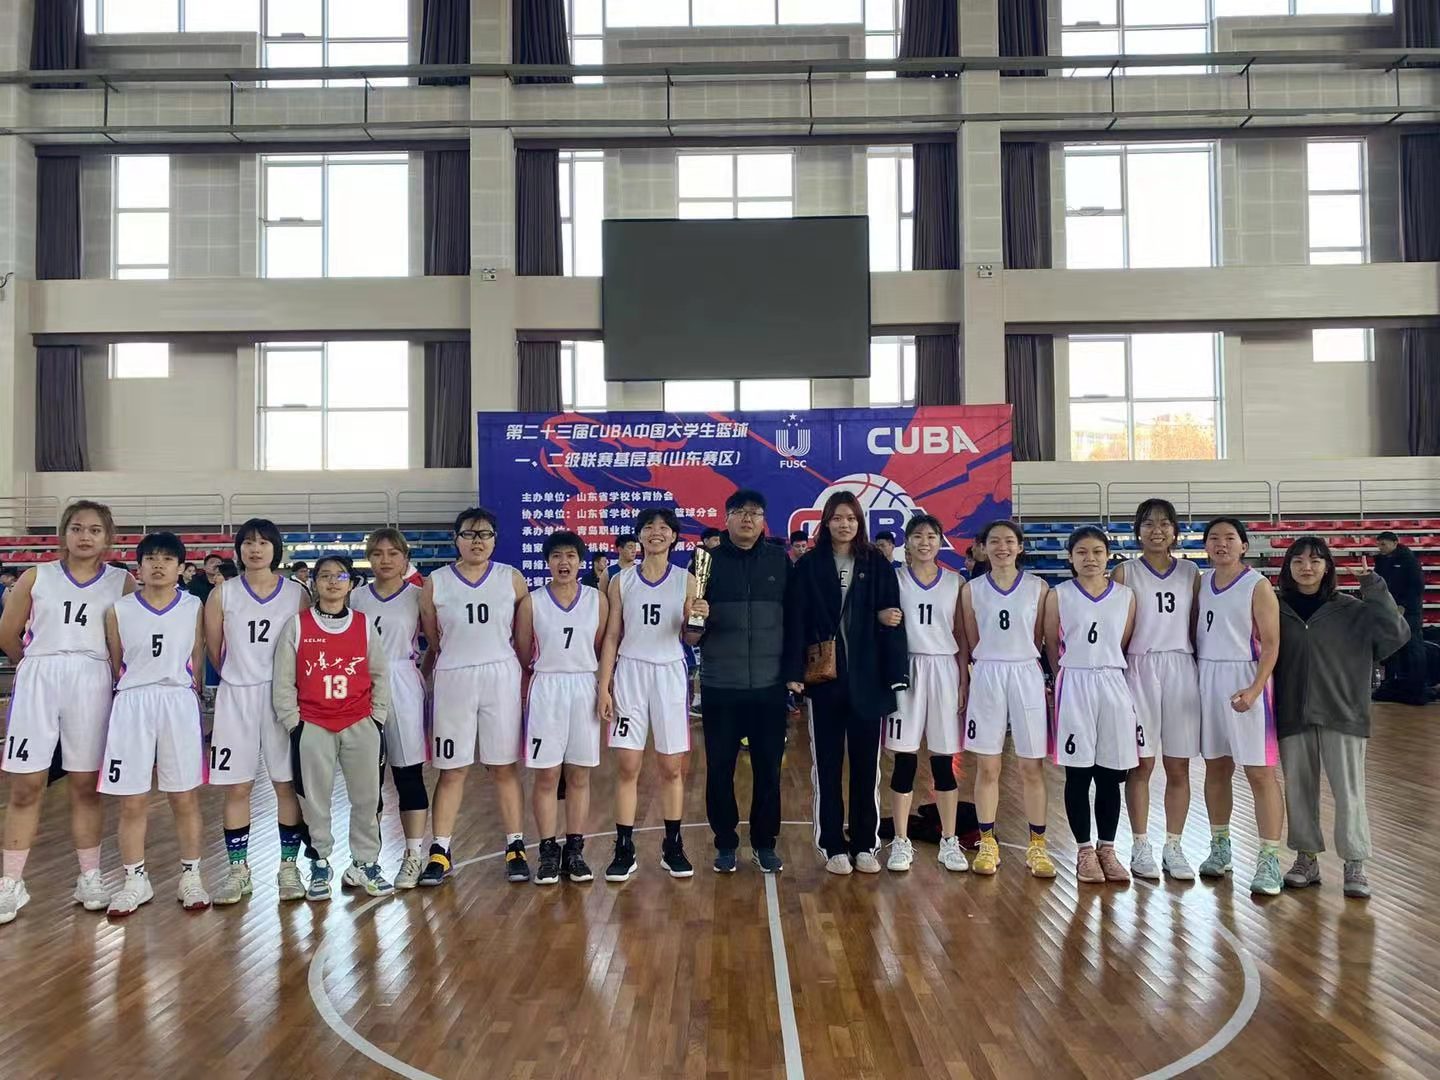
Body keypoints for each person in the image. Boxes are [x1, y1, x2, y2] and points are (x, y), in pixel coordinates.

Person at [0, 501, 135, 924]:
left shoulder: (122, 582)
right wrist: (33, 667)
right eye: (76, 528)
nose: (84, 536)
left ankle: (89, 877)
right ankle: (10, 883)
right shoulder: (35, 576)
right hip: (40, 675)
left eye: (94, 529)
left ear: (108, 538)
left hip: (92, 678)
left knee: (85, 785)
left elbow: (129, 639)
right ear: (63, 534)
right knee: (26, 785)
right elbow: (7, 632)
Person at [1276, 537, 1409, 900]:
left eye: (1315, 560)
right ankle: (1306, 858)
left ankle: (1355, 862)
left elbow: (1396, 634)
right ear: (1287, 567)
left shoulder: (1353, 609)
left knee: (1349, 792)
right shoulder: (1275, 608)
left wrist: (1374, 587)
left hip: (1344, 711)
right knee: (1298, 790)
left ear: (1327, 568)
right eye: (1298, 560)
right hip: (1292, 712)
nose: (1307, 567)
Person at [787, 491, 908, 876]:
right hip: (825, 681)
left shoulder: (876, 562)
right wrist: (794, 672)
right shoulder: (809, 565)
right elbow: (796, 619)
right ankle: (832, 845)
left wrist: (896, 675)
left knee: (866, 767)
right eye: (838, 518)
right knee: (827, 765)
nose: (845, 524)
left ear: (860, 523)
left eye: (851, 518)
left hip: (868, 681)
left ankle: (865, 844)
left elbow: (893, 618)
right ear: (826, 522)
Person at [418, 507, 533, 886]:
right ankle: (440, 850)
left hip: (500, 675)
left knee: (503, 766)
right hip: (454, 677)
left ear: (495, 540)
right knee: (452, 769)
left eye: (484, 534)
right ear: (456, 539)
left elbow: (522, 635)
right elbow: (434, 638)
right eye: (468, 534)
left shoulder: (511, 579)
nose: (477, 541)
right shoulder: (436, 582)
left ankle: (515, 846)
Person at [98, 531, 209, 915]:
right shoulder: (119, 609)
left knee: (184, 796)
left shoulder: (194, 606)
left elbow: (198, 658)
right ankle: (134, 880)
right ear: (139, 567)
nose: (158, 565)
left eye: (167, 559)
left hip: (177, 700)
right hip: (133, 702)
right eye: (151, 558)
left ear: (181, 567)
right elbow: (116, 662)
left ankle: (191, 876)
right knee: (132, 800)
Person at [204, 519, 313, 905]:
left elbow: (306, 646)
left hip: (282, 697)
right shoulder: (222, 594)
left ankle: (288, 867)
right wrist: (239, 678)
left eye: (264, 543)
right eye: (248, 542)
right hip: (237, 697)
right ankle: (238, 870)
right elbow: (214, 650)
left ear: (275, 549)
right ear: (238, 549)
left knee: (286, 784)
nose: (255, 549)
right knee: (237, 787)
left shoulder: (297, 593)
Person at [273, 554, 393, 901]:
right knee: (314, 800)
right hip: (313, 724)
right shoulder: (298, 625)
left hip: (359, 722)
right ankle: (320, 862)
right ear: (313, 583)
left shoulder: (363, 624)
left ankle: (366, 863)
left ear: (351, 584)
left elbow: (379, 673)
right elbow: (284, 680)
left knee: (367, 798)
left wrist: (377, 717)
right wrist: (294, 723)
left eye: (340, 576)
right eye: (324, 576)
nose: (332, 582)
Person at [686, 489, 794, 875]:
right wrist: (697, 617)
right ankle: (725, 843)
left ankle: (765, 843)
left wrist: (793, 674)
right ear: (726, 518)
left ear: (764, 520)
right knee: (719, 769)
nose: (748, 519)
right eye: (740, 512)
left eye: (755, 512)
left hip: (769, 686)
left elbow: (794, 619)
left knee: (769, 770)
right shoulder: (705, 562)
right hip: (721, 685)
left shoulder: (779, 561)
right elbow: (691, 632)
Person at [597, 507, 699, 881]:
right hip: (630, 671)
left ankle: (673, 846)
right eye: (649, 527)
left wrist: (697, 619)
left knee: (671, 767)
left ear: (674, 536)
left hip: (669, 672)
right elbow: (612, 636)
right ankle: (624, 848)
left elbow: (691, 637)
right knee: (627, 765)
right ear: (639, 536)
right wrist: (604, 685)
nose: (656, 532)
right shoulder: (621, 580)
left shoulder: (687, 580)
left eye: (664, 527)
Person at [1111, 499, 1202, 881]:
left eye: (1165, 523)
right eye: (1148, 523)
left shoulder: (1191, 572)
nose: (1157, 530)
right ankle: (1140, 844)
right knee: (1142, 763)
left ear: (1175, 531)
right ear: (1138, 530)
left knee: (1178, 764)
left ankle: (1174, 846)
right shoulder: (1124, 572)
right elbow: (1116, 628)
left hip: (1180, 664)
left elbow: (1196, 623)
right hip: (1139, 666)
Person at [1194, 517, 1285, 896]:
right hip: (1207, 677)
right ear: (1205, 546)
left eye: (1230, 538)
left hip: (1246, 677)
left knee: (1260, 772)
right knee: (1216, 767)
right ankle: (1220, 846)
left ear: (1244, 546)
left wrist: (1255, 688)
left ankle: (1269, 858)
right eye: (1214, 538)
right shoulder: (1201, 583)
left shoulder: (1257, 585)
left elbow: (1272, 643)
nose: (1221, 544)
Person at [960, 519, 1055, 878]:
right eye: (994, 541)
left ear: (1020, 547)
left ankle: (1037, 846)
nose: (1002, 547)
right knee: (988, 767)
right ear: (983, 548)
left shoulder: (1038, 587)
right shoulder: (971, 590)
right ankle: (987, 843)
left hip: (1025, 672)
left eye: (1009, 541)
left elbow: (1039, 636)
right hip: (988, 673)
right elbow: (971, 638)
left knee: (1032, 767)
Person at [1047, 527, 1139, 884]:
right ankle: (1084, 851)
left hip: (1112, 681)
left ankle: (1108, 849)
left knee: (1110, 774)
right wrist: (1061, 677)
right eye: (1082, 552)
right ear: (1070, 557)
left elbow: (1124, 640)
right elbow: (1051, 642)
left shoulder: (1126, 596)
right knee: (1078, 772)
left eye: (1097, 551)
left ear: (1107, 555)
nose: (1090, 558)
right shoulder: (1059, 595)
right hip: (1075, 679)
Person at [883, 514, 970, 874]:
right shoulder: (895, 579)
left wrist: (963, 680)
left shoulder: (955, 582)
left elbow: (962, 635)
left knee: (943, 760)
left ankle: (949, 839)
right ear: (907, 542)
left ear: (940, 541)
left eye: (931, 536)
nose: (924, 542)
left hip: (944, 668)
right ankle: (901, 840)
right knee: (904, 760)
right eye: (917, 536)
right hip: (906, 668)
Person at [525, 530, 607, 885]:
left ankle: (575, 850)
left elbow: (601, 646)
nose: (564, 562)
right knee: (546, 774)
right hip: (547, 687)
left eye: (571, 556)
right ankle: (547, 850)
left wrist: (603, 689)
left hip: (584, 685)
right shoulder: (532, 601)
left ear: (580, 561)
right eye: (557, 556)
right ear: (547, 562)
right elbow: (522, 649)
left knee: (579, 775)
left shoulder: (597, 600)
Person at [350, 528, 430, 890]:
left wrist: (418, 677)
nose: (385, 560)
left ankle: (413, 855)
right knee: (366, 779)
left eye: (393, 553)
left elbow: (436, 643)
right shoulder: (355, 597)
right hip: (360, 686)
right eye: (377, 553)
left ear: (405, 558)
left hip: (402, 680)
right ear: (369, 558)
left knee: (407, 773)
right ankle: (365, 859)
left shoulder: (418, 596)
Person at [1373, 531, 1428, 705]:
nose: (1380, 548)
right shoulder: (1381, 561)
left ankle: (1416, 689)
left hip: (1409, 611)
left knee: (1412, 647)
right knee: (1391, 649)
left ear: (1395, 543)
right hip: (1388, 610)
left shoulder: (1409, 560)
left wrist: (1404, 605)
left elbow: (1416, 586)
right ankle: (1392, 686)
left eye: (1384, 544)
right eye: (1379, 544)